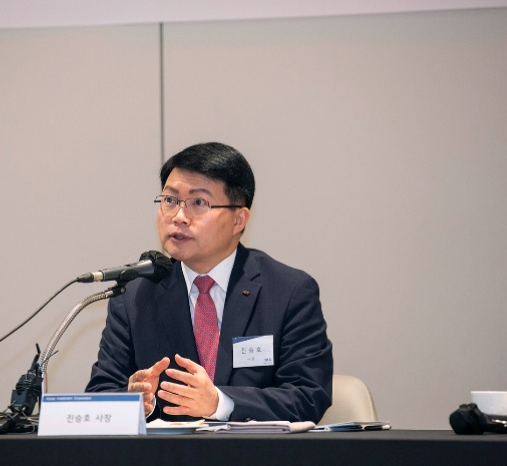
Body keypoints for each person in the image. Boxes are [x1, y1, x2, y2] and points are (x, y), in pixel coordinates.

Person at [85, 142, 333, 422]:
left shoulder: (288, 291)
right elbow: (101, 394)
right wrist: (135, 402)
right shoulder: (134, 295)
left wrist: (219, 403)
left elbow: (308, 395)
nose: (178, 217)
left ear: (239, 219)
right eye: (170, 200)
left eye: (198, 203)